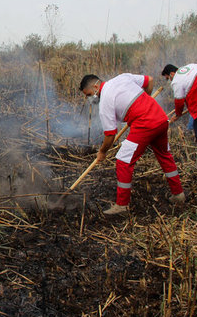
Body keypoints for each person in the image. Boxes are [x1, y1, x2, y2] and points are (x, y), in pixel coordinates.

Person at [79, 73, 185, 215]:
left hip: (145, 124)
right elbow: (150, 80)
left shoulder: (105, 101)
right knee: (164, 155)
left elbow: (110, 134)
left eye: (89, 94)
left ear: (96, 87)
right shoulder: (122, 77)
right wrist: (145, 102)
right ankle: (178, 194)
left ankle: (122, 205)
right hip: (160, 118)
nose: (90, 98)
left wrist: (102, 152)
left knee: (123, 161)